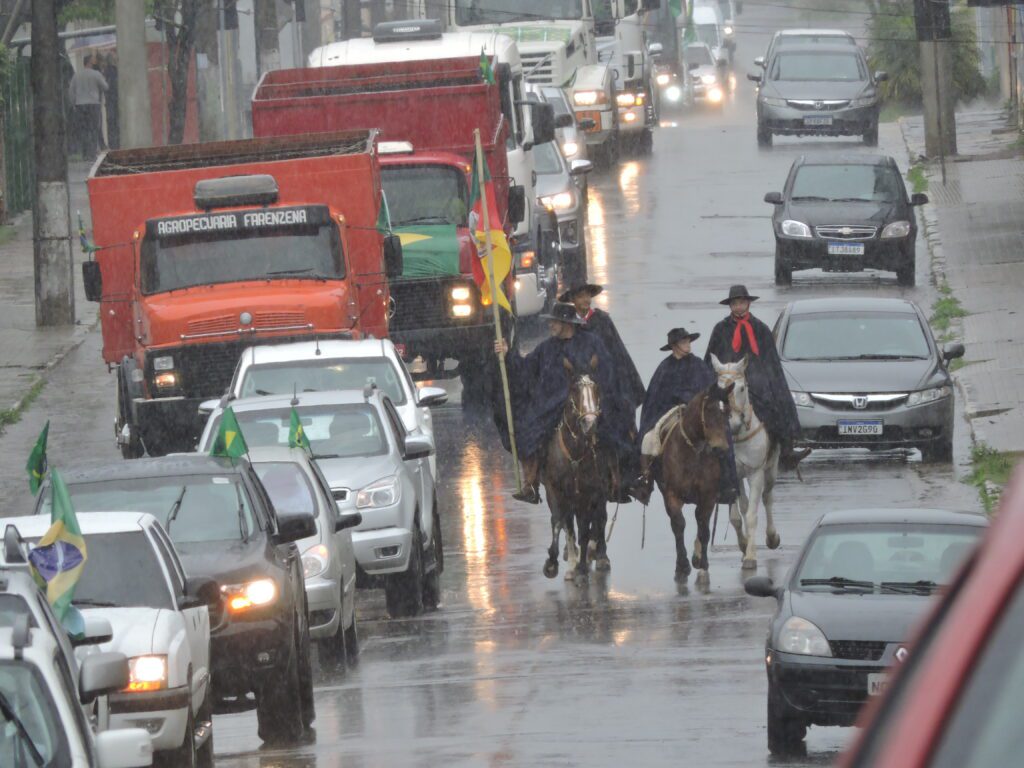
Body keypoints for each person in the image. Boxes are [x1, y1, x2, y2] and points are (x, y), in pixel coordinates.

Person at [494, 302, 635, 504]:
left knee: (612, 431)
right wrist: (508, 354)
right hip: (551, 404)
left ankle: (618, 481)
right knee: (528, 432)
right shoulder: (547, 347)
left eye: (555, 322)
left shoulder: (592, 342)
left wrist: (595, 393)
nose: (551, 325)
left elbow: (607, 371)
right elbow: (525, 369)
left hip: (588, 400)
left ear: (566, 323)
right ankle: (531, 482)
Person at [704, 285, 810, 469]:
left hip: (756, 380)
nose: (738, 307)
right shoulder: (720, 329)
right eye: (735, 304)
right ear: (730, 306)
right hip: (730, 380)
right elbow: (710, 358)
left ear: (748, 304)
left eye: (742, 303)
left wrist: (768, 380)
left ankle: (786, 449)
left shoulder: (761, 329)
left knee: (777, 402)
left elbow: (771, 361)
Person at [633, 327, 739, 505]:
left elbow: (709, 389)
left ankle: (727, 483)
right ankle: (646, 481)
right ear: (674, 346)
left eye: (688, 341)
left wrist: (720, 395)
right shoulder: (664, 368)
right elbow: (654, 398)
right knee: (648, 440)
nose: (687, 345)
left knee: (722, 433)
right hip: (670, 412)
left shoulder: (698, 364)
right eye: (683, 342)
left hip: (698, 411)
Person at [560, 281, 645, 500]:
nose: (584, 301)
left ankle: (624, 481)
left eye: (588, 296)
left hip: (603, 384)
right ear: (573, 300)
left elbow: (617, 353)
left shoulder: (602, 321)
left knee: (617, 426)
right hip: (574, 383)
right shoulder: (566, 322)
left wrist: (619, 384)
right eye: (580, 297)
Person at [68, 54, 108, 157]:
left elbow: (71, 91)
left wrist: (73, 103)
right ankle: (92, 152)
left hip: (80, 105)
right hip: (93, 104)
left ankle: (85, 153)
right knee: (93, 129)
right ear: (90, 63)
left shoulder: (77, 75)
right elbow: (105, 87)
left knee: (83, 129)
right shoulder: (96, 74)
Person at [100, 52, 119, 150]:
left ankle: (113, 143)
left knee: (111, 123)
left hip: (110, 100)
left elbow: (106, 86)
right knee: (116, 122)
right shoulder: (115, 70)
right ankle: (117, 143)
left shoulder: (105, 72)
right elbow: (112, 86)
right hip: (115, 100)